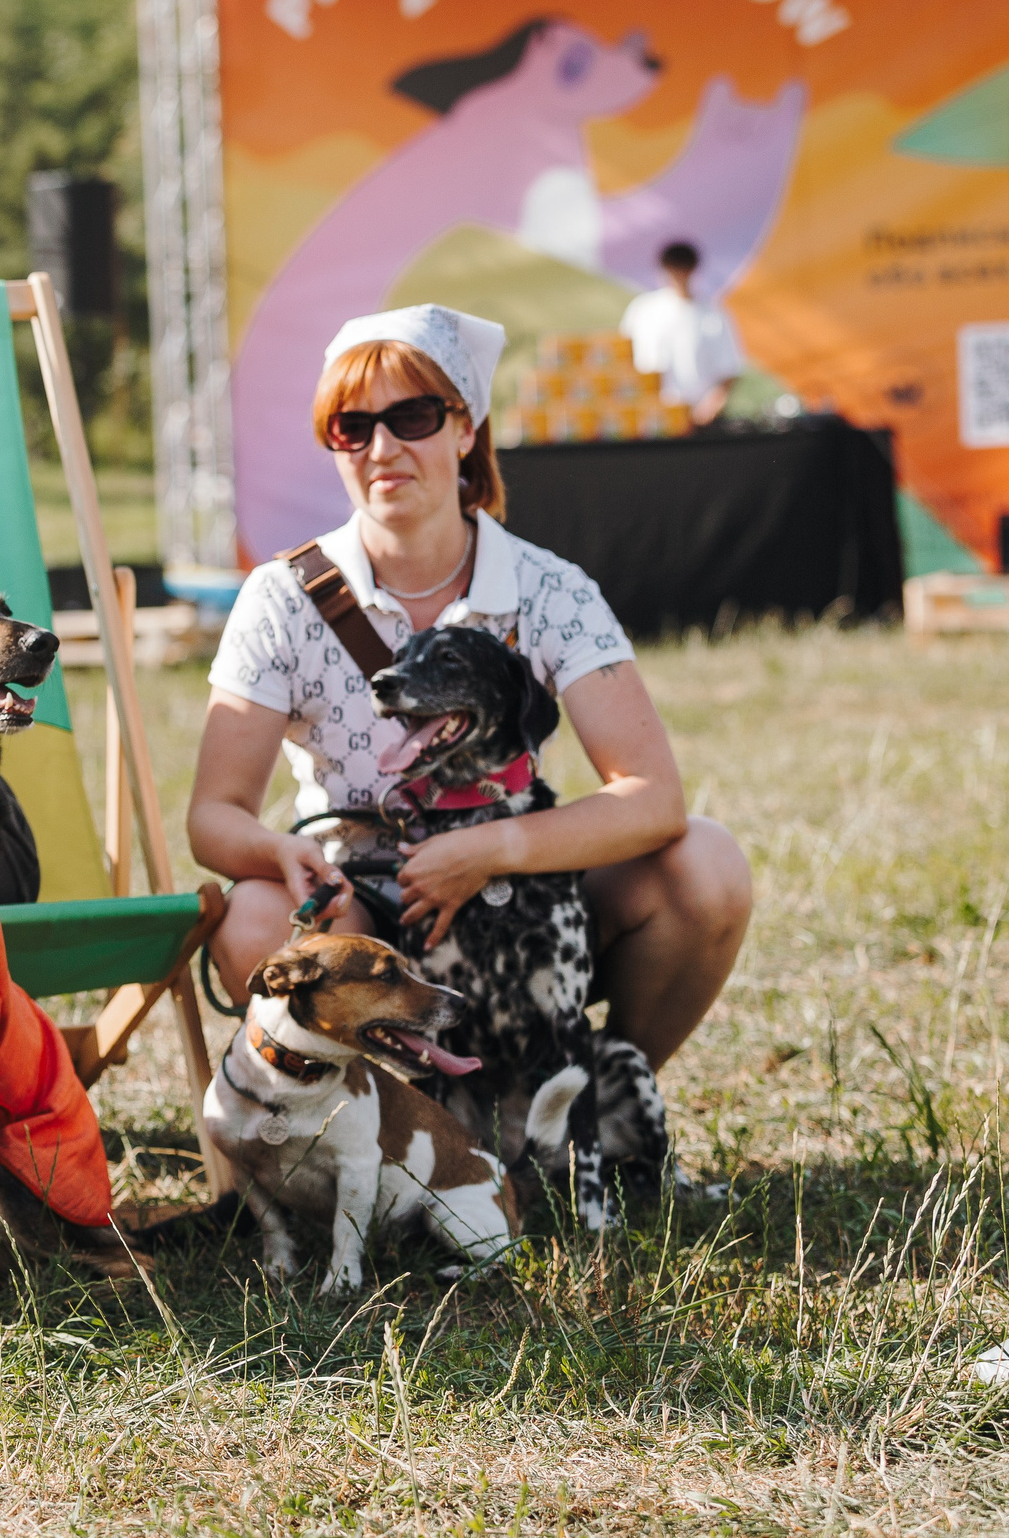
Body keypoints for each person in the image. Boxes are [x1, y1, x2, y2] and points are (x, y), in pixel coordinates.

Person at [187, 303, 749, 1083]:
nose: (382, 446)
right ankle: (391, 1143)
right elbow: (213, 814)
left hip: (525, 905)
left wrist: (492, 850)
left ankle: (588, 1109)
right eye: (352, 426)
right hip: (362, 901)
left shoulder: (550, 588)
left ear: (465, 427)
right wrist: (279, 851)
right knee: (254, 912)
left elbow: (654, 797)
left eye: (411, 416)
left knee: (708, 864)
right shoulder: (281, 596)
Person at [621, 241, 744, 428]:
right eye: (673, 267)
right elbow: (623, 357)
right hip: (650, 418)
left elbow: (729, 370)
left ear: (692, 270)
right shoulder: (642, 309)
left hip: (699, 418)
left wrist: (709, 408)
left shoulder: (714, 314)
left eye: (683, 267)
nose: (678, 274)